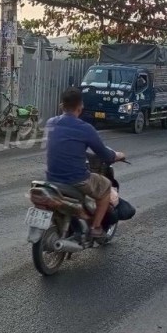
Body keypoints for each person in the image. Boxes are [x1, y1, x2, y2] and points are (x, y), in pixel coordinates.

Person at [45, 87, 125, 242]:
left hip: (51, 178)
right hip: (76, 179)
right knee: (106, 186)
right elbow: (106, 155)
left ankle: (79, 219)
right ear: (80, 107)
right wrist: (119, 155)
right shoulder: (85, 129)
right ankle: (95, 228)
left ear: (62, 106)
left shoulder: (50, 122)